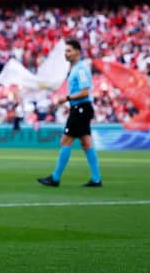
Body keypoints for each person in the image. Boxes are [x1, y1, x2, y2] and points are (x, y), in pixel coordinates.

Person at [38, 39, 103, 188]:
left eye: (69, 51)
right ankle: (96, 178)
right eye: (65, 51)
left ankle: (55, 178)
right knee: (86, 142)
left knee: (65, 140)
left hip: (81, 108)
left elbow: (85, 91)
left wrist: (66, 99)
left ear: (77, 52)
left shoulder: (80, 69)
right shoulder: (75, 69)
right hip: (80, 108)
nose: (66, 54)